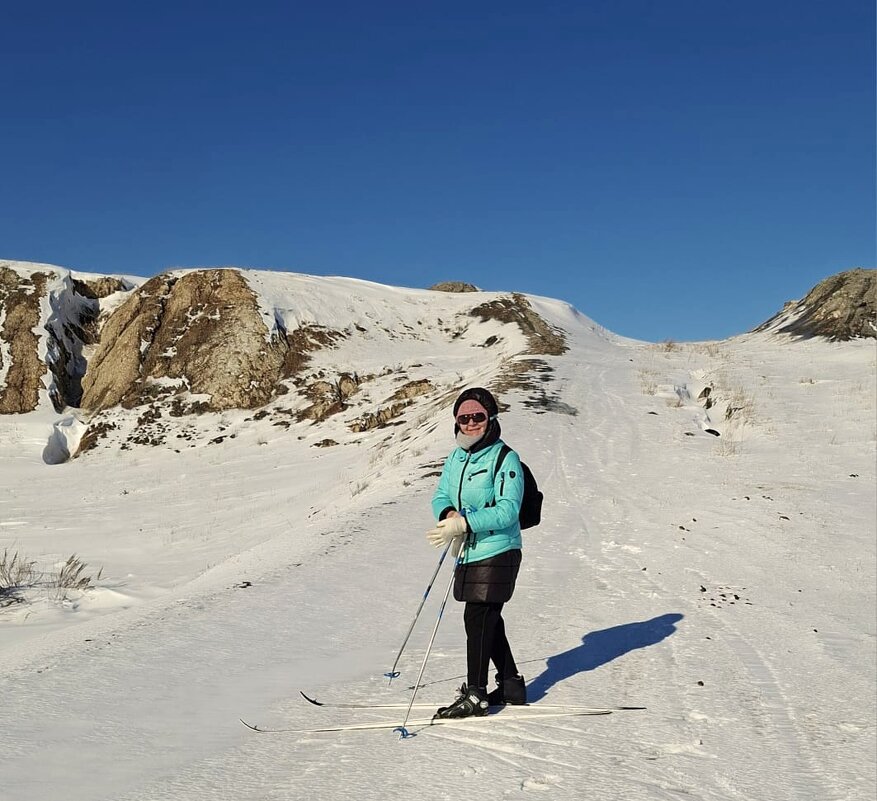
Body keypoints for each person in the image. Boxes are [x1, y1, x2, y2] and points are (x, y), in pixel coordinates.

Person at [425, 387, 528, 718]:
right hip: (469, 548)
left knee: (477, 616)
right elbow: (441, 494)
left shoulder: (505, 458)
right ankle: (511, 685)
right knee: (487, 618)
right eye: (463, 418)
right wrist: (448, 516)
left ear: (491, 418)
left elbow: (508, 511)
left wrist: (465, 524)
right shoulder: (457, 456)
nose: (470, 423)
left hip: (499, 547)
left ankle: (476, 694)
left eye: (477, 417)